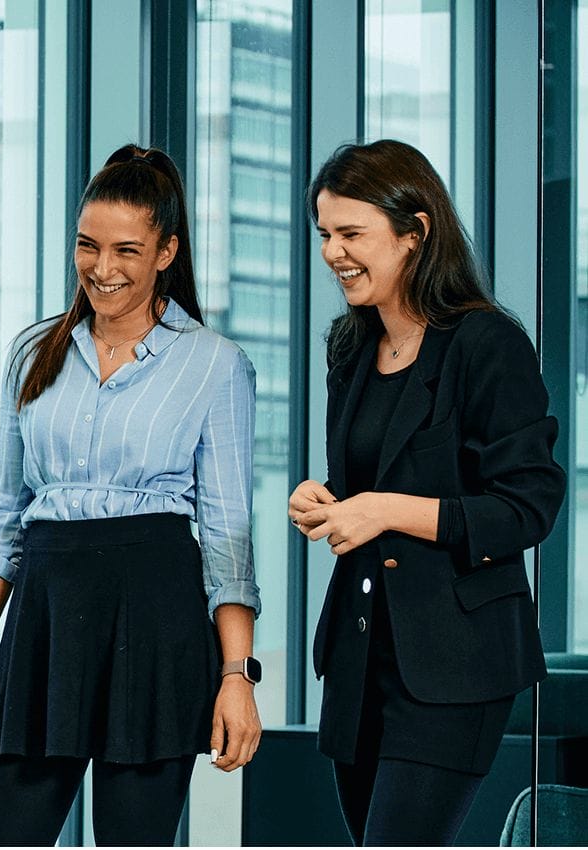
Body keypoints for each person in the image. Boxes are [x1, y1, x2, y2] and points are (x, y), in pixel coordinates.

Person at [0, 144, 262, 846]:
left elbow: (230, 537)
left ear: (167, 251)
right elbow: (2, 516)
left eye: (126, 251)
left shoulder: (216, 366)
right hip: (44, 618)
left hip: (155, 624)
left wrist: (237, 674)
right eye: (88, 247)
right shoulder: (33, 353)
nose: (103, 270)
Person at [289, 139, 565, 846]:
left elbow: (528, 505)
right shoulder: (350, 347)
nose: (333, 253)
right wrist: (325, 502)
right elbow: (363, 484)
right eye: (325, 234)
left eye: (352, 234)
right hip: (360, 657)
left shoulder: (487, 344)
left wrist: (383, 511)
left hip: (457, 660)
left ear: (415, 233)